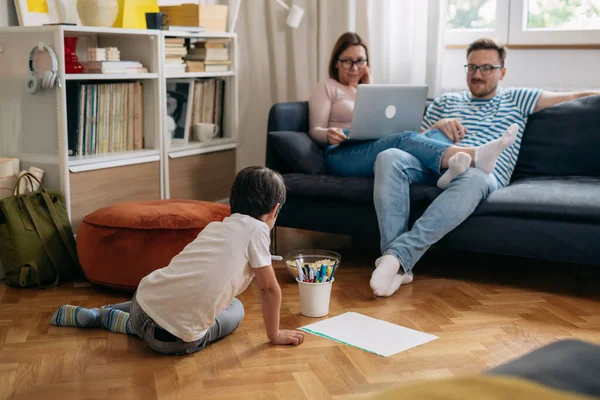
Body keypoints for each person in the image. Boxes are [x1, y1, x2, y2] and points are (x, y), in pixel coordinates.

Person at [369, 38, 599, 297]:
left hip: (483, 173)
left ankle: (397, 257)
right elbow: (414, 138)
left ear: (502, 71)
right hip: (439, 164)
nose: (477, 74)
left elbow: (576, 96)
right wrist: (436, 126)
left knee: (474, 176)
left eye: (486, 68)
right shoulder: (446, 102)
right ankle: (398, 265)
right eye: (472, 67)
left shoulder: (518, 98)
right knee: (389, 156)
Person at [50, 166, 305, 354]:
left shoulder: (215, 227)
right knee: (235, 310)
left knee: (170, 290)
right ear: (274, 211)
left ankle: (101, 315)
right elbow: (269, 289)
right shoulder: (258, 230)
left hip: (143, 303)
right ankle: (126, 326)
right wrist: (275, 334)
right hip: (171, 340)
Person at [309, 32, 520, 190]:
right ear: (336, 63)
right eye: (347, 61)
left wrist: (370, 85)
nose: (355, 68)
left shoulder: (368, 89)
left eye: (360, 61)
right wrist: (327, 134)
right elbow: (313, 129)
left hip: (370, 147)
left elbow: (380, 126)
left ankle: (451, 171)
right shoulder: (327, 86)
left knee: (431, 134)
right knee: (403, 139)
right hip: (342, 153)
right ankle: (475, 156)